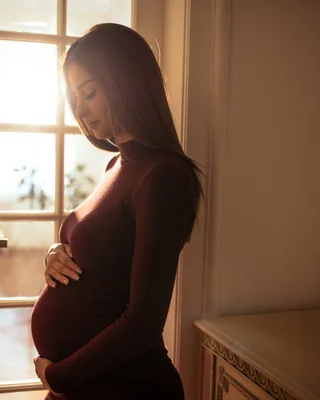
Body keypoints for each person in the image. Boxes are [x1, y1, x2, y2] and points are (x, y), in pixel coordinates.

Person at [30, 23, 204, 400]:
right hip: (88, 386)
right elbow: (101, 255)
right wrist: (55, 254)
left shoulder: (164, 177)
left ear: (126, 81)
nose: (78, 110)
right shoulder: (117, 166)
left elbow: (142, 322)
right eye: (73, 97)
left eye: (88, 92)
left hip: (127, 389)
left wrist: (59, 377)